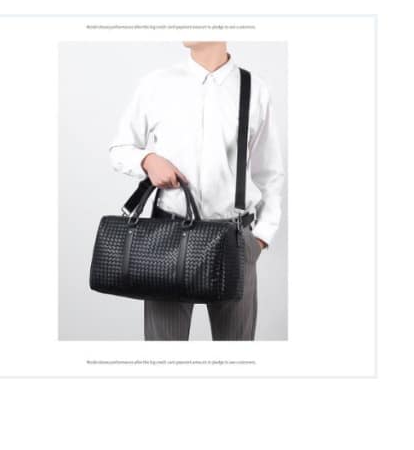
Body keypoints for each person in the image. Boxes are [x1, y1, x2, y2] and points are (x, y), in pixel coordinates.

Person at [109, 41, 284, 340]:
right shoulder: (157, 84)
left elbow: (268, 171)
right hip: (167, 236)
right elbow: (120, 149)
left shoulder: (254, 89)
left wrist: (260, 238)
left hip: (234, 240)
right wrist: (148, 160)